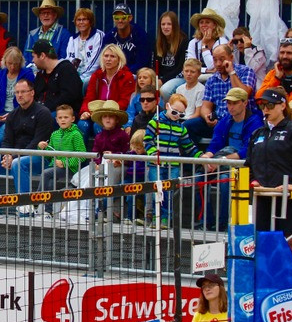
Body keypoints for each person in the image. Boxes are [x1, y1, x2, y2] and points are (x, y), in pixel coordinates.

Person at [247, 86, 292, 284]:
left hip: (291, 198)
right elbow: (249, 165)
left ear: (282, 105)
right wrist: (253, 181)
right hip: (264, 197)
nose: (266, 109)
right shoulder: (258, 134)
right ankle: (269, 287)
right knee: (264, 244)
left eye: (270, 105)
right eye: (262, 105)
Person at [0, 78, 57, 212]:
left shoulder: (43, 113)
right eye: (17, 92)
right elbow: (7, 141)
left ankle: (25, 209)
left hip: (40, 157)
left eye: (23, 92)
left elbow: (37, 143)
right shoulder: (13, 115)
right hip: (16, 157)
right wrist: (6, 155)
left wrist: (14, 156)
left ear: (32, 93)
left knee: (18, 163)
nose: (19, 95)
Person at [200, 87, 263, 228]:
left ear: (245, 103)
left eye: (234, 103)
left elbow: (248, 151)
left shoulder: (255, 122)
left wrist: (222, 160)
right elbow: (216, 142)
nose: (230, 107)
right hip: (223, 160)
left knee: (225, 180)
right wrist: (207, 157)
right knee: (199, 177)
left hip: (245, 166)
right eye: (228, 103)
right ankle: (205, 222)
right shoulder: (226, 120)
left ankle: (223, 224)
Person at [143, 92, 201, 226]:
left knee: (170, 193)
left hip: (173, 165)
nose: (177, 117)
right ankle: (153, 217)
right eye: (175, 112)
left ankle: (165, 218)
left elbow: (189, 146)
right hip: (155, 164)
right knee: (155, 191)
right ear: (167, 106)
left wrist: (200, 156)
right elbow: (147, 141)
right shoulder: (154, 123)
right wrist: (153, 155)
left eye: (181, 115)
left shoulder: (181, 128)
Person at [188, 44, 257, 141]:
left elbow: (243, 94)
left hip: (240, 120)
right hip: (217, 121)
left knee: (224, 127)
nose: (218, 64)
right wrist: (207, 117)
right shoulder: (212, 79)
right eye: (215, 60)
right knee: (188, 126)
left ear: (231, 58)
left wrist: (231, 72)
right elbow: (206, 106)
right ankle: (194, 154)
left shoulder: (246, 71)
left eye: (222, 59)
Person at [38, 104, 86, 217]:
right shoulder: (55, 134)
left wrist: (65, 163)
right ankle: (48, 211)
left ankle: (35, 201)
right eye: (60, 118)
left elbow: (82, 155)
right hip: (56, 166)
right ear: (56, 120)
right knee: (49, 180)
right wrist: (42, 147)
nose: (63, 120)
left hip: (71, 168)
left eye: (66, 117)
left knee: (46, 174)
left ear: (72, 119)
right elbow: (50, 155)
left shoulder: (76, 134)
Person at [0, 46, 36, 150]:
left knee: (2, 132)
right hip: (1, 111)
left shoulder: (27, 74)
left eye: (15, 64)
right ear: (4, 62)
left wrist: (13, 114)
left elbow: (28, 99)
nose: (12, 67)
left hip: (17, 113)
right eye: (9, 63)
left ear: (20, 63)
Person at [79, 44, 135, 138]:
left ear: (119, 59)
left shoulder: (127, 77)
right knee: (82, 124)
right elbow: (89, 98)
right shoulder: (96, 76)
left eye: (112, 56)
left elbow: (125, 101)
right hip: (96, 112)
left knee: (99, 125)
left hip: (115, 114)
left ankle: (104, 152)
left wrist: (107, 111)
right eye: (106, 56)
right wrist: (85, 111)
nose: (108, 59)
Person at [91, 100, 131, 221]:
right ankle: (94, 210)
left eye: (111, 117)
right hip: (103, 165)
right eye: (105, 117)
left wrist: (116, 156)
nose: (108, 119)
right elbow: (95, 153)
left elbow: (128, 153)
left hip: (119, 165)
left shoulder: (122, 135)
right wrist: (97, 163)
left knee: (112, 178)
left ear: (117, 119)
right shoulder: (99, 136)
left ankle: (108, 210)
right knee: (91, 177)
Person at [31, 39, 83, 114]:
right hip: (42, 112)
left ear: (42, 56)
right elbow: (34, 96)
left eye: (34, 56)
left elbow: (69, 97)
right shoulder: (40, 74)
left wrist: (44, 109)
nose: (33, 60)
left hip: (63, 114)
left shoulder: (66, 69)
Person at [104, 3, 151, 70]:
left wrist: (124, 72)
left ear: (130, 18)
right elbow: (104, 59)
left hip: (135, 73)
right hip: (114, 72)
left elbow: (142, 62)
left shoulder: (140, 35)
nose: (120, 21)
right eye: (116, 18)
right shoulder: (109, 36)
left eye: (123, 17)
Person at [65, 7, 104, 85]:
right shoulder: (72, 39)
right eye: (79, 20)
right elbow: (69, 60)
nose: (81, 22)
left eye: (84, 19)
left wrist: (79, 78)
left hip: (93, 75)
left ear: (90, 22)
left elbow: (96, 64)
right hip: (75, 76)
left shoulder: (98, 36)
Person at [155, 11, 189, 98]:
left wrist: (162, 80)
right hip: (162, 77)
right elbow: (155, 65)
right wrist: (155, 78)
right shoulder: (158, 42)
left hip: (179, 77)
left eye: (169, 24)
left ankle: (168, 110)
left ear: (175, 26)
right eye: (163, 24)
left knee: (165, 90)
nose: (165, 27)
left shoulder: (183, 41)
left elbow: (181, 67)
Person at [186, 8, 228, 77]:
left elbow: (213, 65)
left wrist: (204, 46)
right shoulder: (193, 43)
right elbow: (190, 65)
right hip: (196, 77)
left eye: (207, 22)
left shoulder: (222, 42)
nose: (204, 25)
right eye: (201, 22)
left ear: (214, 25)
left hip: (218, 77)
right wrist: (206, 70)